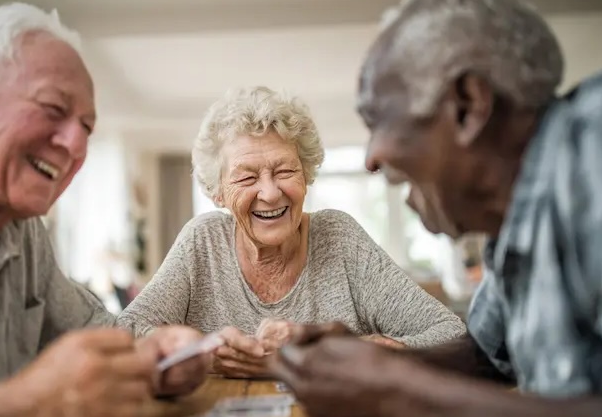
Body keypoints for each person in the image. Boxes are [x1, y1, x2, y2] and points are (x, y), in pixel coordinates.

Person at [269, 0, 602, 417]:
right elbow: (485, 355)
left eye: (380, 119)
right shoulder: (515, 222)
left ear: (468, 105)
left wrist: (393, 388)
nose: (371, 158)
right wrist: (369, 367)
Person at [0, 3, 207, 417]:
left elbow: (101, 332)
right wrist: (23, 403)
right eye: (53, 108)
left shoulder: (24, 231)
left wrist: (160, 350)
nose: (77, 147)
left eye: (86, 127)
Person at [117, 86, 466, 378]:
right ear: (217, 192)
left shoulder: (339, 237)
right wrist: (198, 351)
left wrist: (335, 354)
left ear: (307, 174)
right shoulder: (202, 242)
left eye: (284, 170)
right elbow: (126, 332)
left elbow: (453, 337)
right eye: (247, 177)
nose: (270, 193)